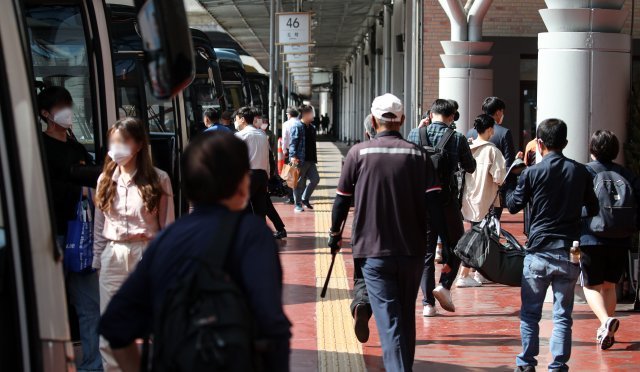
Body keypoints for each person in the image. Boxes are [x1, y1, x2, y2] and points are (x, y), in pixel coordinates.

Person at [99, 132, 292, 372]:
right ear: (242, 182)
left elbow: (114, 324)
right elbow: (272, 325)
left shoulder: (164, 241)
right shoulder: (251, 234)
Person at [329, 94, 442, 371]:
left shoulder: (358, 153)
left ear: (372, 120)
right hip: (413, 251)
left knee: (390, 321)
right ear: (402, 120)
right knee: (405, 318)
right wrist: (445, 245)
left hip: (373, 252)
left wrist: (334, 235)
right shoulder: (419, 156)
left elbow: (342, 199)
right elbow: (436, 206)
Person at [505, 119, 599, 372]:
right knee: (562, 316)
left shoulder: (531, 173)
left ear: (539, 143)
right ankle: (557, 366)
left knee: (530, 314)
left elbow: (513, 205)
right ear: (565, 143)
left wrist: (513, 177)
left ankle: (526, 363)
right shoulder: (580, 172)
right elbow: (593, 208)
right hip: (568, 251)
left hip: (538, 251)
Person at [93, 117, 174, 371]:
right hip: (113, 254)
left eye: (124, 141)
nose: (117, 147)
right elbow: (99, 225)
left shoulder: (159, 179)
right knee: (110, 327)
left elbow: (167, 227)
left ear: (139, 145)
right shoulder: (105, 179)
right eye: (114, 142)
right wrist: (99, 259)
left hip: (146, 254)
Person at [39, 86, 103, 372]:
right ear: (45, 114)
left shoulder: (75, 145)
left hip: (82, 233)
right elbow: (45, 189)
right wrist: (79, 188)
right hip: (52, 234)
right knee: (51, 307)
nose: (68, 112)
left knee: (89, 304)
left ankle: (93, 365)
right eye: (61, 107)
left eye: (69, 104)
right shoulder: (40, 147)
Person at [408, 99, 476, 315]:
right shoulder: (457, 138)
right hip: (446, 203)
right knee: (457, 246)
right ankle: (444, 284)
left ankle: (428, 304)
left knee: (426, 252)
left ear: (430, 113)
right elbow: (470, 167)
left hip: (421, 203)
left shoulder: (414, 134)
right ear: (451, 117)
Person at [580, 130, 640, 350]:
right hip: (620, 236)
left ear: (592, 149)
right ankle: (606, 330)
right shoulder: (626, 174)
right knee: (609, 286)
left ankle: (605, 322)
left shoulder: (585, 172)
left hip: (591, 235)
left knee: (590, 285)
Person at [457, 114, 506, 287]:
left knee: (477, 234)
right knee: (479, 237)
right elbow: (500, 177)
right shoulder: (492, 151)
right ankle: (464, 274)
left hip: (469, 198)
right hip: (486, 199)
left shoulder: (467, 147)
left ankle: (478, 272)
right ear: (490, 129)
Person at [467, 97, 516, 220]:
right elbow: (508, 163)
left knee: (476, 224)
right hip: (493, 189)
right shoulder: (504, 133)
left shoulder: (470, 133)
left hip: (474, 187)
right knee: (492, 225)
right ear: (499, 112)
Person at [234, 106, 271, 219]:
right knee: (260, 209)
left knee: (242, 207)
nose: (235, 122)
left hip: (248, 176)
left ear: (242, 119)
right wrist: (267, 175)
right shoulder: (262, 135)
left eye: (236, 119)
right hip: (262, 176)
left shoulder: (240, 136)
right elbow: (267, 157)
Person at [289, 104, 320, 213]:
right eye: (311, 113)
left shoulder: (312, 127)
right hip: (299, 159)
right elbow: (293, 143)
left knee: (315, 179)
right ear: (304, 114)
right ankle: (297, 204)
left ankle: (304, 198)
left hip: (310, 160)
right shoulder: (297, 126)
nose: (313, 115)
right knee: (298, 183)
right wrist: (292, 156)